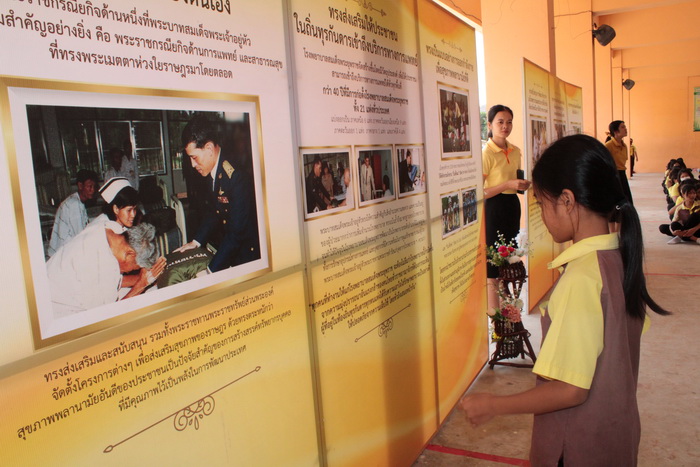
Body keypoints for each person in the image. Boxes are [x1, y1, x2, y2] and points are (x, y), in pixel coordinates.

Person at [462, 134, 670, 466]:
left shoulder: (582, 278)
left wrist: (494, 405)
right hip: (614, 436)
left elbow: (570, 389)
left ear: (567, 200)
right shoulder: (619, 258)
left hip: (576, 446)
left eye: (542, 204)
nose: (542, 215)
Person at [176, 115, 260, 272]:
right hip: (230, 248)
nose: (192, 164)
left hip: (249, 254)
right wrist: (196, 242)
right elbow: (214, 211)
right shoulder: (214, 170)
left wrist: (210, 271)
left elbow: (236, 234)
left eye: (194, 157)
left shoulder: (236, 176)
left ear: (209, 149)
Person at [47, 222, 165, 317]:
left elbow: (114, 280)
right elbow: (109, 317)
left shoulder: (106, 228)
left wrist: (145, 279)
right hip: (56, 312)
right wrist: (141, 286)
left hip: (49, 282)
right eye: (134, 267)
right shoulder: (103, 267)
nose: (129, 271)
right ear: (130, 254)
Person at [482, 105, 531, 311]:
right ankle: (495, 319)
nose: (505, 126)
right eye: (500, 122)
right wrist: (507, 184)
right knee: (493, 266)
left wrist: (522, 185)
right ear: (490, 125)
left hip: (512, 207)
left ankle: (507, 314)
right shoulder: (486, 153)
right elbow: (480, 192)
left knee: (508, 262)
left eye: (509, 122)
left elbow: (515, 182)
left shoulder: (516, 151)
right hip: (493, 209)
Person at [47, 169, 99, 257]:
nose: (93, 190)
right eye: (89, 186)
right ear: (80, 186)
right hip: (63, 254)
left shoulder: (75, 201)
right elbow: (80, 236)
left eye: (94, 186)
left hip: (66, 249)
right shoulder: (74, 204)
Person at [604, 120, 633, 204]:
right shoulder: (608, 145)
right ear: (616, 131)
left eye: (625, 127)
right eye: (622, 127)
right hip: (613, 175)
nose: (625, 129)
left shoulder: (624, 146)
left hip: (622, 174)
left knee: (627, 200)